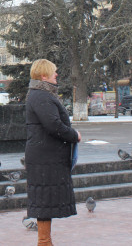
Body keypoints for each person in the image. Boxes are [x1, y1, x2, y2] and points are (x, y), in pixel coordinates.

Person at [25, 59, 81, 245]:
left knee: (44, 202)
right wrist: (74, 135)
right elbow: (53, 125)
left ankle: (45, 241)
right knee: (43, 201)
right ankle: (44, 242)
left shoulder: (40, 95)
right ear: (43, 75)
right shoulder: (41, 96)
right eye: (53, 72)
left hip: (45, 157)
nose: (56, 74)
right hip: (45, 158)